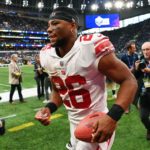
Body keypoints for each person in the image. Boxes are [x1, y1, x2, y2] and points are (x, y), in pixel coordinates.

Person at [35, 6, 137, 150]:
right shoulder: (47, 55)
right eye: (49, 25)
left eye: (55, 23)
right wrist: (49, 108)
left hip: (97, 122)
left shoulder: (90, 47)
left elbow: (129, 80)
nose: (49, 29)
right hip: (74, 126)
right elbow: (58, 90)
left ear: (72, 25)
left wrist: (112, 117)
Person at [134, 42, 150, 140]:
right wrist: (136, 69)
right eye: (143, 50)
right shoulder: (140, 61)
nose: (145, 52)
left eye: (147, 49)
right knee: (143, 117)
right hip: (144, 94)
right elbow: (135, 77)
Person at [121, 40, 139, 113]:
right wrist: (130, 69)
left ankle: (137, 104)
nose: (135, 49)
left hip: (135, 75)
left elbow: (137, 65)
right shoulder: (123, 57)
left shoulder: (136, 55)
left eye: (135, 48)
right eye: (134, 48)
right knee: (127, 92)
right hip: (127, 77)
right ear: (129, 49)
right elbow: (121, 68)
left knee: (137, 91)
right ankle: (127, 108)